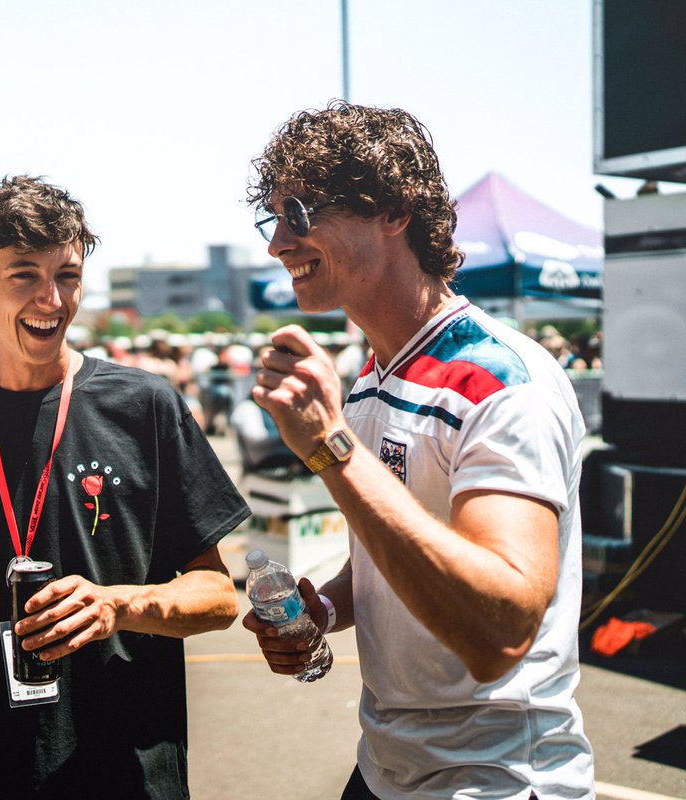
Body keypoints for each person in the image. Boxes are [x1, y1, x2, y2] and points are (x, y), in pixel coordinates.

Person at [242, 102, 594, 799]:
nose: (279, 243)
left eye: (301, 214)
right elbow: (392, 552)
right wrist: (328, 610)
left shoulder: (498, 380)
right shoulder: (374, 376)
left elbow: (499, 633)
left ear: (393, 212)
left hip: (494, 777)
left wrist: (331, 449)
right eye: (273, 219)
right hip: (386, 765)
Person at [0, 175, 249, 799]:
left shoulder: (145, 406)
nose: (52, 300)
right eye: (24, 274)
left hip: (123, 767)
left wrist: (117, 606)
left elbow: (217, 597)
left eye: (68, 276)